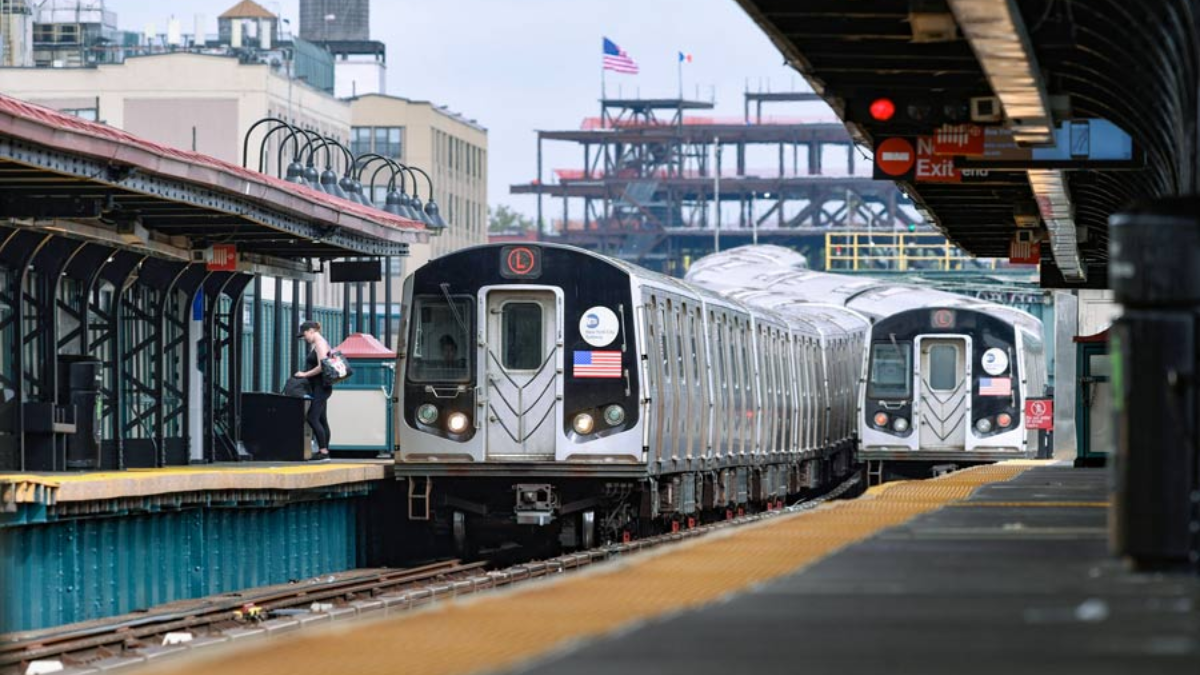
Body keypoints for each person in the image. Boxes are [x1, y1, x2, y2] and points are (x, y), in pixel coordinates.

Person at [294, 320, 333, 461]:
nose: (304, 338)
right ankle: (325, 451)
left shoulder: (320, 344)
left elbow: (322, 366)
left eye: (304, 334)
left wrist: (304, 374)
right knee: (322, 419)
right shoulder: (319, 343)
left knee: (312, 417)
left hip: (321, 387)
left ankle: (323, 451)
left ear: (311, 331)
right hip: (321, 386)